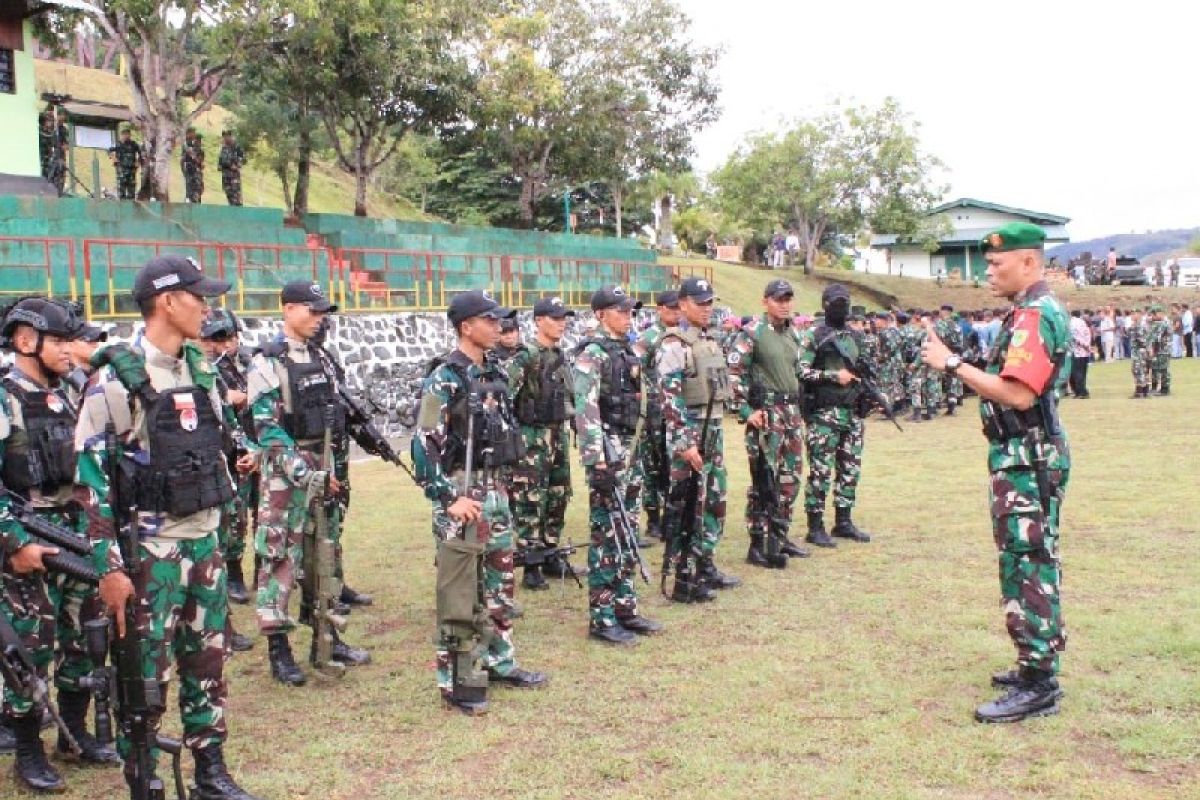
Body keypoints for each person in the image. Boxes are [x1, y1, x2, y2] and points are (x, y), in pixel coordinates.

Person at [78, 255, 261, 797]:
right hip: (149, 553)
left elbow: (222, 436)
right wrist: (109, 569)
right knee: (145, 678)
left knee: (207, 664)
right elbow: (93, 483)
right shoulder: (115, 381)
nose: (208, 305)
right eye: (198, 295)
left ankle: (211, 771)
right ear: (167, 302)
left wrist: (242, 455)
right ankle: (146, 777)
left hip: (203, 543)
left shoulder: (200, 369)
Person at [921, 222, 1070, 724]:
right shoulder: (1026, 311)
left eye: (996, 262)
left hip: (1027, 457)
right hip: (1020, 455)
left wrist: (951, 363)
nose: (988, 270)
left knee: (1029, 561)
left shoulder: (1034, 314)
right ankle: (1034, 662)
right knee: (1022, 557)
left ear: (1028, 262)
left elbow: (1018, 393)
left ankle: (1039, 680)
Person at [0, 298, 120, 793]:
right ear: (27, 341)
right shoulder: (5, 397)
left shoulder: (68, 392)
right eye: (63, 340)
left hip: (74, 534)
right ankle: (29, 752)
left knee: (86, 638)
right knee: (30, 648)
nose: (75, 349)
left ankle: (75, 736)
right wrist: (13, 542)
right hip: (25, 541)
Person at [411, 291, 548, 714]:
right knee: (460, 590)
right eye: (489, 320)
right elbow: (422, 443)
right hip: (461, 492)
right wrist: (448, 497)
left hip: (495, 493)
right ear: (466, 326)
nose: (497, 327)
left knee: (500, 584)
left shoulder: (496, 375)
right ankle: (457, 678)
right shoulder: (443, 379)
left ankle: (499, 660)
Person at [245, 282, 371, 687]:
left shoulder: (322, 358)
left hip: (324, 465)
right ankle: (279, 651)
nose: (319, 319)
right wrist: (306, 474)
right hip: (287, 475)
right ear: (287, 309)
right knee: (280, 557)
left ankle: (328, 636)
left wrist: (330, 470)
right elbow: (267, 430)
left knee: (325, 554)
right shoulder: (267, 362)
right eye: (311, 311)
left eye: (322, 313)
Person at [572, 286, 663, 644]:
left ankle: (626, 607)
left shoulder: (627, 352)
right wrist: (597, 463)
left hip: (632, 449)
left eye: (630, 312)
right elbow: (585, 410)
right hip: (608, 454)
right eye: (620, 311)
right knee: (605, 532)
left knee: (628, 529)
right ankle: (603, 615)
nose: (628, 317)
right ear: (600, 315)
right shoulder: (591, 355)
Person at [657, 277, 740, 602]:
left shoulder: (710, 339)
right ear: (683, 304)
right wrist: (685, 441)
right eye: (700, 302)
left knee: (713, 502)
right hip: (689, 430)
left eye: (709, 303)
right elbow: (669, 397)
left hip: (713, 428)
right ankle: (683, 576)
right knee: (686, 504)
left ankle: (705, 563)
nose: (707, 308)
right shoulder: (673, 344)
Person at [727, 279, 810, 569]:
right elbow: (732, 374)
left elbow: (798, 372)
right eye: (779, 299)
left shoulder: (793, 334)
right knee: (764, 480)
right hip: (766, 414)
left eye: (789, 298)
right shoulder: (752, 333)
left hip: (791, 412)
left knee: (791, 478)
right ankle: (757, 542)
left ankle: (780, 535)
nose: (785, 303)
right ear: (765, 302)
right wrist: (746, 410)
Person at [506, 296, 576, 591]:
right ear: (538, 321)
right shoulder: (525, 356)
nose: (561, 324)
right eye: (555, 318)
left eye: (564, 319)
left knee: (558, 495)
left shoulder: (559, 355)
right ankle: (530, 563)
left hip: (556, 435)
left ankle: (550, 553)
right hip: (531, 438)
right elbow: (504, 398)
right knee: (529, 501)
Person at [797, 284, 874, 548]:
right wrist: (832, 376)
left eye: (845, 303)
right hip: (823, 414)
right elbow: (802, 371)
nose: (841, 308)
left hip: (852, 412)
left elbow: (865, 369)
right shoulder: (814, 336)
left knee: (850, 469)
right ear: (826, 305)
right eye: (836, 303)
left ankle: (843, 521)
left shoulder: (856, 337)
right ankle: (815, 526)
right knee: (820, 471)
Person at [633, 290, 681, 543]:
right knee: (652, 465)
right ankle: (653, 518)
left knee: (673, 464)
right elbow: (635, 369)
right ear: (660, 309)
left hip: (676, 411)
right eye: (671, 308)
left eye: (678, 308)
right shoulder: (650, 337)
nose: (676, 312)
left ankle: (672, 515)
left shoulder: (682, 336)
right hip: (654, 412)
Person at [108, 127, 145, 201]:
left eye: (128, 135)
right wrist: (113, 158)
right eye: (125, 135)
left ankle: (131, 203)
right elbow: (109, 150)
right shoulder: (118, 144)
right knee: (121, 188)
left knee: (131, 188)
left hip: (131, 169)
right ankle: (122, 204)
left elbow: (141, 153)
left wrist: (138, 161)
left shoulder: (133, 144)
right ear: (122, 135)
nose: (126, 136)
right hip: (121, 169)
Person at [217, 130, 248, 206]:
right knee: (229, 196)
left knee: (236, 197)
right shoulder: (223, 149)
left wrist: (237, 165)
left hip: (234, 177)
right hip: (225, 176)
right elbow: (220, 162)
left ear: (230, 137)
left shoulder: (237, 147)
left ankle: (239, 215)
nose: (225, 139)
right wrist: (220, 166)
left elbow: (243, 159)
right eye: (224, 137)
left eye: (227, 137)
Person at [1148, 305, 1172, 395]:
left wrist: (1153, 351)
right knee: (1156, 369)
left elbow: (1157, 339)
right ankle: (1155, 388)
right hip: (1161, 350)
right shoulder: (1160, 323)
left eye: (1153, 315)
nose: (1152, 317)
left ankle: (1165, 390)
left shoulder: (1162, 324)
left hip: (1162, 351)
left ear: (1158, 313)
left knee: (1163, 370)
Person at [1067, 310, 1092, 399]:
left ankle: (1079, 392)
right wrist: (1087, 346)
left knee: (1076, 373)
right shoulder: (1083, 323)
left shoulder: (1071, 323)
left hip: (1076, 352)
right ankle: (1083, 391)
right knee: (1083, 372)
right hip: (1084, 352)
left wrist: (1082, 345)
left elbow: (1073, 337)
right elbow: (1088, 334)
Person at [1128, 307, 1151, 399]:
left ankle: (1141, 392)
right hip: (1138, 351)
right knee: (1139, 371)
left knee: (1139, 371)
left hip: (1140, 352)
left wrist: (1146, 350)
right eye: (1131, 314)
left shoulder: (1139, 325)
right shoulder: (1136, 325)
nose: (1132, 316)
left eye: (1134, 313)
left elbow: (1143, 340)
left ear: (1139, 314)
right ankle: (1143, 391)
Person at [181, 127, 205, 204]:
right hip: (190, 173)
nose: (199, 142)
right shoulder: (186, 144)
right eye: (193, 133)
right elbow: (190, 158)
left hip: (197, 175)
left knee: (197, 193)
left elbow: (200, 162)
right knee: (190, 194)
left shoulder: (200, 150)